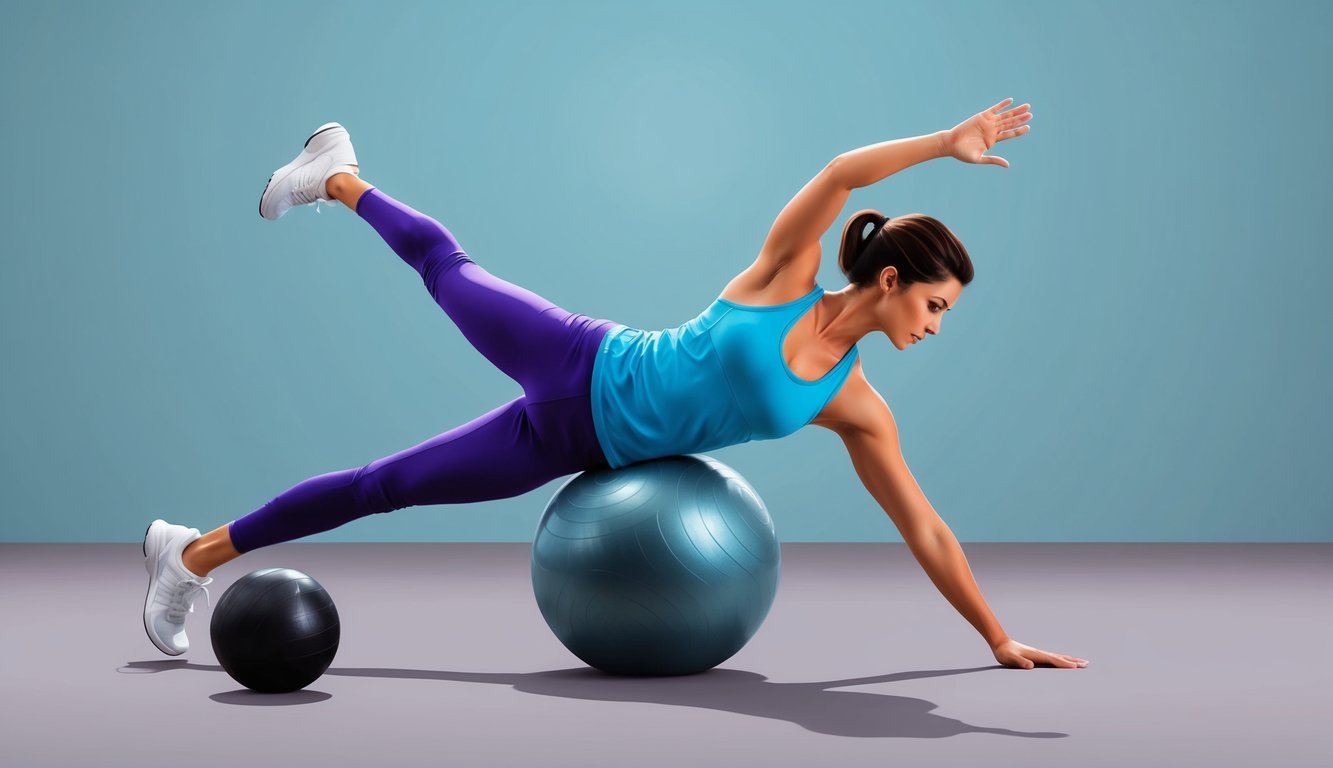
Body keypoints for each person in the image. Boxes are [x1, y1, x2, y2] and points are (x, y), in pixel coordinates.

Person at [143, 98, 1089, 671]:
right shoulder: (784, 280)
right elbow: (841, 172)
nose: (935, 325)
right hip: (577, 358)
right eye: (935, 304)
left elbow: (922, 526)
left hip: (572, 445)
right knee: (446, 267)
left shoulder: (851, 404)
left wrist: (997, 637)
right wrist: (945, 143)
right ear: (890, 280)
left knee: (383, 487)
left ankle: (187, 556)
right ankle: (340, 177)